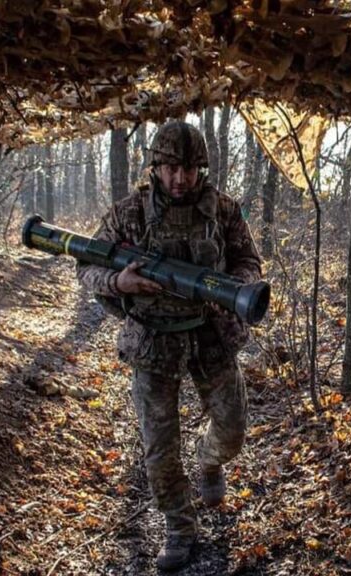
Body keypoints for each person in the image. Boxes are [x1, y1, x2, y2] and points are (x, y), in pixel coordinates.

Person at [76, 120, 263, 570]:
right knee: (159, 448)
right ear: (155, 167)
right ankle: (179, 528)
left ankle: (209, 461)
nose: (180, 179)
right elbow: (86, 266)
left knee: (233, 428)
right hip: (152, 340)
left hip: (210, 332)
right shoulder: (128, 213)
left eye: (189, 169)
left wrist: (234, 286)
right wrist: (118, 282)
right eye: (170, 168)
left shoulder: (224, 210)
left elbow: (248, 260)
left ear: (201, 169)